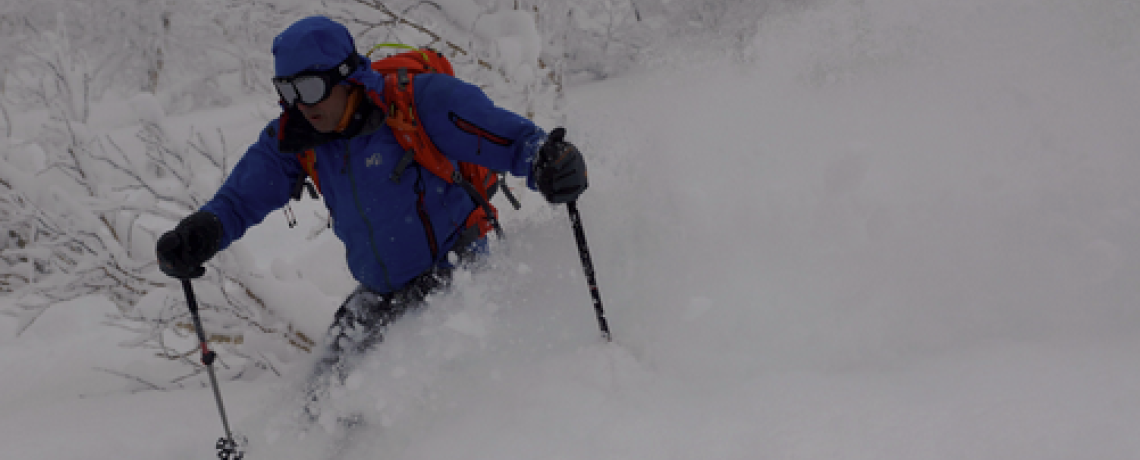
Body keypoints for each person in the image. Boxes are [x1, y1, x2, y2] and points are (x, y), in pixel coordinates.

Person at [155, 16, 587, 399]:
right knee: (322, 401)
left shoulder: (420, 103)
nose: (302, 104)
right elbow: (239, 199)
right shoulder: (296, 137)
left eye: (309, 87)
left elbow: (513, 141)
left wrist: (548, 162)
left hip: (457, 272)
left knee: (415, 400)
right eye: (287, 91)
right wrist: (203, 231)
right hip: (379, 291)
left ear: (347, 76)